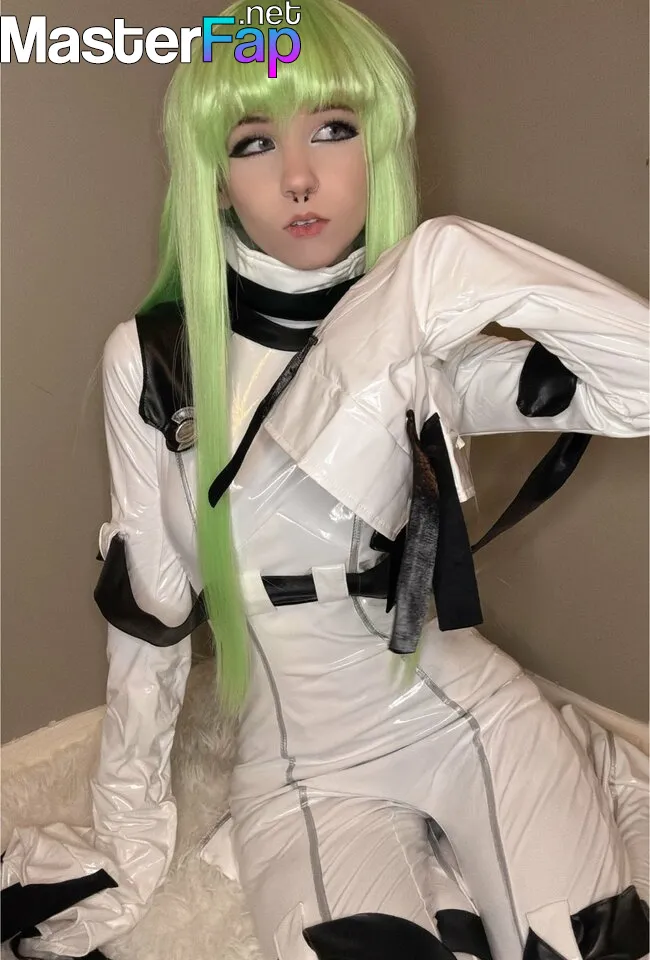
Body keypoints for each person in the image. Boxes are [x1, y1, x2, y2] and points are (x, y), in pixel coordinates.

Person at [3, 1, 649, 958]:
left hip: (470, 715)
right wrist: (129, 841)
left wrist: (450, 257)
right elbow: (148, 623)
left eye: (336, 129)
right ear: (214, 174)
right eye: (255, 142)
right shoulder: (156, 363)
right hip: (304, 765)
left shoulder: (425, 325)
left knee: (592, 946)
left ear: (379, 147)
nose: (299, 176)